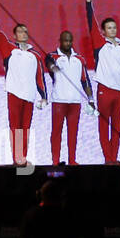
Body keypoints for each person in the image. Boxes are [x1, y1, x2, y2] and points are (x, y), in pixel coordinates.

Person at [0, 4, 48, 166]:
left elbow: (39, 78)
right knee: (15, 128)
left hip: (29, 95)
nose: (23, 33)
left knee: (25, 129)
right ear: (15, 35)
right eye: (20, 31)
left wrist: (44, 97)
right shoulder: (9, 48)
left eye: (25, 31)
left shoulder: (35, 55)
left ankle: (22, 157)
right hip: (14, 93)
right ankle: (16, 158)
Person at [83, 0, 120, 164]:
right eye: (109, 28)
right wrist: (89, 1)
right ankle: (108, 158)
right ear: (104, 31)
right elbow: (91, 24)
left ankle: (114, 157)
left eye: (115, 27)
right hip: (104, 90)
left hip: (119, 92)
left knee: (117, 127)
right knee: (104, 125)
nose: (113, 30)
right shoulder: (100, 44)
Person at [45, 30, 93, 165]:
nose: (68, 43)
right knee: (56, 132)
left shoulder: (79, 59)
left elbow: (85, 80)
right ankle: (55, 161)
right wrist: (52, 67)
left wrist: (91, 99)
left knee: (73, 133)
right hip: (59, 101)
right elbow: (48, 62)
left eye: (70, 41)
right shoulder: (53, 56)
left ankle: (72, 160)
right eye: (65, 40)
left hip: (75, 102)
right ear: (60, 41)